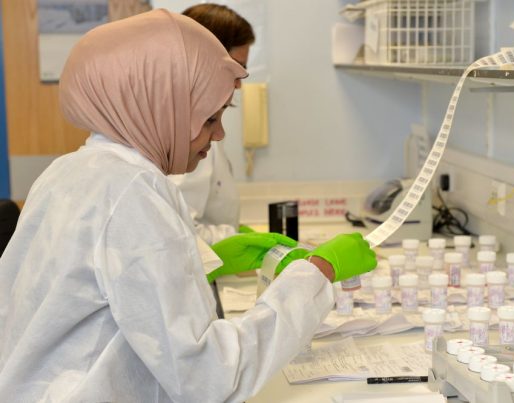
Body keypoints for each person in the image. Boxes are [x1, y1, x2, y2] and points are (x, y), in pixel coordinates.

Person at [0, 9, 376, 402]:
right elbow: (210, 376)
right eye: (209, 118)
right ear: (160, 106)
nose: (219, 134)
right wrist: (315, 275)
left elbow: (111, 285)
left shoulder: (73, 170)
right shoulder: (132, 190)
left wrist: (202, 258)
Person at [168, 3, 256, 245]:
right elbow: (178, 233)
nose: (240, 83)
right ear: (205, 60)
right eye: (237, 67)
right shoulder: (186, 135)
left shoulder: (202, 128)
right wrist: (235, 240)